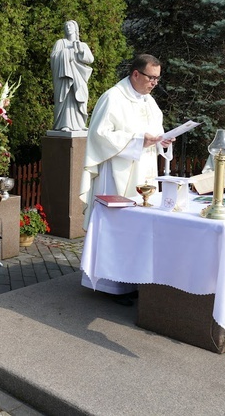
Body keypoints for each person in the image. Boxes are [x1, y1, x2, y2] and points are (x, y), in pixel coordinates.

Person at [79, 54, 173, 298]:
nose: (154, 83)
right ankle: (109, 285)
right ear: (135, 74)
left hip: (144, 171)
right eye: (151, 77)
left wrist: (163, 139)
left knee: (138, 228)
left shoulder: (148, 101)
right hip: (117, 174)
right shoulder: (113, 97)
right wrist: (138, 140)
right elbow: (99, 135)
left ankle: (133, 281)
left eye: (157, 79)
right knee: (117, 227)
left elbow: (155, 131)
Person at [50, 20, 94, 132]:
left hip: (79, 76)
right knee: (66, 96)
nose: (68, 28)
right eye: (66, 26)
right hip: (64, 77)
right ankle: (64, 124)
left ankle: (79, 124)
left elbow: (90, 59)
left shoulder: (82, 44)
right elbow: (54, 57)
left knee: (79, 96)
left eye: (70, 25)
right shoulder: (60, 43)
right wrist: (67, 52)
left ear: (75, 28)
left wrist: (80, 51)